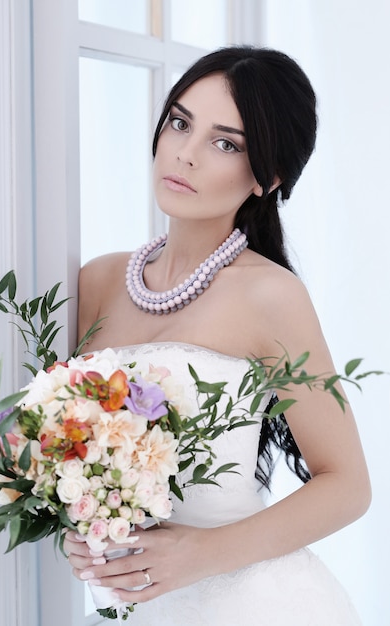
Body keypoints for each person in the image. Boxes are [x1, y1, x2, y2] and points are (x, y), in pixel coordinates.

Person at [64, 46, 370, 625]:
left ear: (268, 177)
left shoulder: (270, 296)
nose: (185, 153)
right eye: (180, 122)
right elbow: (73, 453)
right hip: (137, 604)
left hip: (257, 604)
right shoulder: (98, 281)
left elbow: (348, 486)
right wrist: (79, 527)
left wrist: (200, 555)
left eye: (225, 142)